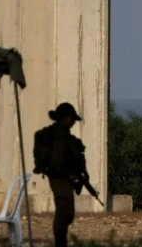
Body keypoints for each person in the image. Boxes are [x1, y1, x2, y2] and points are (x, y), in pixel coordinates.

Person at [43, 102, 86, 247]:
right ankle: (60, 244)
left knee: (67, 213)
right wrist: (69, 175)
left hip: (63, 179)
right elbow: (57, 162)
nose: (73, 122)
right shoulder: (59, 137)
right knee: (64, 213)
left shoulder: (63, 135)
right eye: (72, 119)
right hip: (60, 179)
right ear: (67, 118)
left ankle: (61, 242)